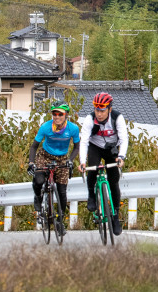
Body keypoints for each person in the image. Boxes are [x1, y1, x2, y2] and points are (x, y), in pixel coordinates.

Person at [77, 91, 128, 236]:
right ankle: (91, 195)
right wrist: (82, 162)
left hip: (111, 148)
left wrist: (121, 157)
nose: (99, 113)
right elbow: (84, 141)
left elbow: (124, 139)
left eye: (102, 110)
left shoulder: (117, 117)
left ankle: (115, 216)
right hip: (95, 147)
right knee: (92, 168)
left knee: (114, 182)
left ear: (109, 109)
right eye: (96, 109)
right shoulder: (89, 119)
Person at [27, 102, 79, 227]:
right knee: (39, 180)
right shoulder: (46, 127)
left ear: (66, 115)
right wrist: (31, 163)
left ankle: (60, 220)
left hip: (62, 158)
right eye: (54, 114)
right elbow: (34, 146)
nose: (57, 117)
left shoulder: (73, 128)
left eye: (60, 114)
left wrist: (70, 160)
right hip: (45, 156)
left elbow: (77, 147)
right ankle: (38, 201)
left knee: (62, 191)